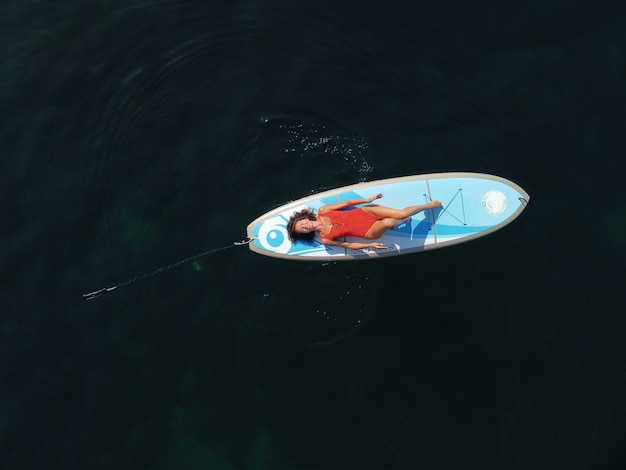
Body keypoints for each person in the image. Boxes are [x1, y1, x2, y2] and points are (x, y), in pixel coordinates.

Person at [287, 193, 442, 250]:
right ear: (306, 233)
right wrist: (370, 246)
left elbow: (347, 204)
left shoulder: (323, 210)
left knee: (401, 214)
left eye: (302, 224)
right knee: (389, 223)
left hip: (366, 211)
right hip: (368, 231)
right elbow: (348, 245)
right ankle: (399, 223)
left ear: (304, 218)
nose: (305, 227)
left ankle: (428, 205)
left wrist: (367, 200)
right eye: (303, 230)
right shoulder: (325, 239)